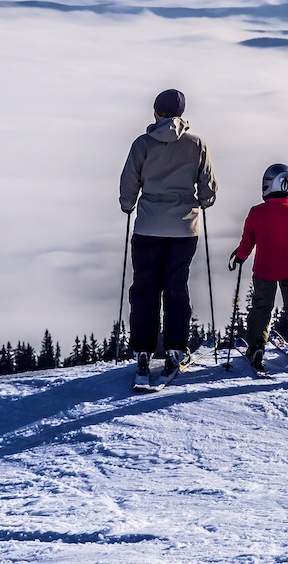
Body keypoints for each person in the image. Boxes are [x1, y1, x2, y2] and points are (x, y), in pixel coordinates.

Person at [119, 89, 217, 385]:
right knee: (176, 288)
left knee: (144, 288)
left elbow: (129, 181)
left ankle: (143, 352)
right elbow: (208, 188)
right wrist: (201, 202)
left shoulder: (142, 144)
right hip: (184, 229)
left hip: (148, 226)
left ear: (155, 113)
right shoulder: (196, 143)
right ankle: (175, 349)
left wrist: (128, 205)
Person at [229, 164, 288, 372]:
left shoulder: (257, 212)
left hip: (264, 269)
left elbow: (248, 241)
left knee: (261, 307)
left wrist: (239, 257)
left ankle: (257, 346)